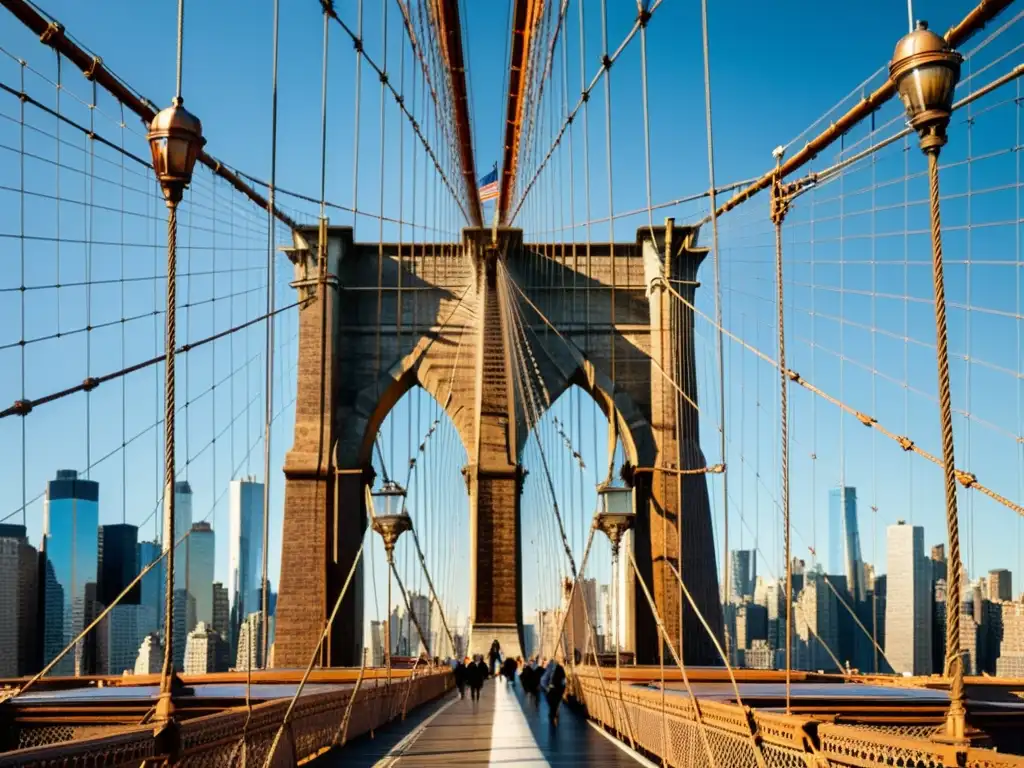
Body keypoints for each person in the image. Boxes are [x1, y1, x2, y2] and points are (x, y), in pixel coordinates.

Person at [540, 657, 567, 725]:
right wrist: (562, 690)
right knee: (554, 705)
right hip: (556, 690)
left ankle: (553, 717)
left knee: (553, 705)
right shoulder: (560, 668)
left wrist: (546, 688)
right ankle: (553, 716)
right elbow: (563, 681)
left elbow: (543, 680)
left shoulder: (549, 668)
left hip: (552, 691)